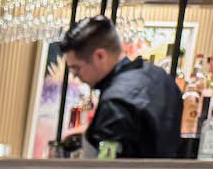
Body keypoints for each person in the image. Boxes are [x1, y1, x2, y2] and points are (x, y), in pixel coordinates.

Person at [60, 16, 182, 159]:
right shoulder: (161, 78)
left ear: (100, 56)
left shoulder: (115, 103)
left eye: (76, 69)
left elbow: (107, 168)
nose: (75, 76)